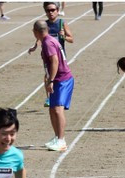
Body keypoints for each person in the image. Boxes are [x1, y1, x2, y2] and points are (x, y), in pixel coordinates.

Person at [33, 20, 72, 151]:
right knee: (52, 109)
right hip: (58, 79)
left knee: (57, 110)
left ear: (37, 32)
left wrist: (51, 80)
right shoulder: (48, 40)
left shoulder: (48, 43)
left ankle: (61, 140)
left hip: (62, 80)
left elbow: (54, 61)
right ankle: (57, 137)